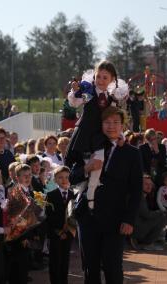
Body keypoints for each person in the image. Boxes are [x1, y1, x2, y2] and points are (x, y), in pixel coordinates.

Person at [73, 106, 142, 284]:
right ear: (100, 124)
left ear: (122, 125)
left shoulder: (132, 153)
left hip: (115, 219)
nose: (111, 126)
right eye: (107, 122)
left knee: (113, 266)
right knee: (90, 267)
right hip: (87, 216)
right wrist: (88, 168)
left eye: (116, 122)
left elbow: (136, 190)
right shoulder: (88, 147)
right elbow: (71, 177)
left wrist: (129, 219)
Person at [66, 60, 128, 211]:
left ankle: (91, 192)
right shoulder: (89, 90)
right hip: (85, 133)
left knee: (99, 162)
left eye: (105, 77)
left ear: (112, 79)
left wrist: (120, 134)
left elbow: (114, 118)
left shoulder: (111, 98)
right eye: (98, 76)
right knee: (83, 166)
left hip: (99, 136)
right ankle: (80, 196)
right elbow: (74, 102)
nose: (100, 80)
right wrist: (75, 91)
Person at [46, 166, 74, 284]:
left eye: (67, 177)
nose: (64, 180)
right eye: (60, 177)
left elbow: (74, 217)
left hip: (68, 234)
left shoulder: (73, 195)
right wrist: (58, 231)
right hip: (55, 234)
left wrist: (68, 231)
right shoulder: (50, 195)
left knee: (65, 260)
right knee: (55, 261)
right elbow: (48, 216)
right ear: (55, 180)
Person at [132, 174, 167, 251]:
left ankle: (153, 241)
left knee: (160, 215)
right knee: (162, 216)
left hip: (135, 227)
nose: (149, 186)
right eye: (146, 184)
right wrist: (159, 212)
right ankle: (147, 243)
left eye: (150, 184)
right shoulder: (139, 196)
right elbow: (146, 214)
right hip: (135, 230)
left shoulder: (141, 195)